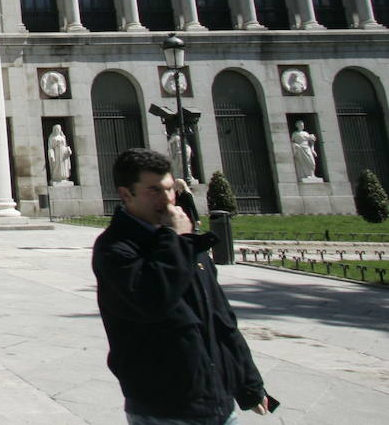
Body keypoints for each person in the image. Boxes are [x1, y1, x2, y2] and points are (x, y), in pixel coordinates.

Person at [93, 148, 272, 423]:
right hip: (164, 407)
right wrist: (175, 240)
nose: (166, 199)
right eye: (153, 190)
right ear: (126, 194)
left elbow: (220, 317)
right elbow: (154, 300)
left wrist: (248, 384)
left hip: (218, 401)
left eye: (169, 189)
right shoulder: (116, 248)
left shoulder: (185, 242)